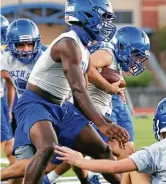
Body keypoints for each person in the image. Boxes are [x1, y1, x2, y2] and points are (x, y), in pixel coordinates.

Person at [11, 0, 130, 183]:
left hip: (62, 107)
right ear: (87, 15)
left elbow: (78, 98)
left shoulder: (83, 49)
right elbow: (79, 90)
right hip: (35, 102)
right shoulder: (68, 43)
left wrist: (108, 122)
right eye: (104, 17)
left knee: (102, 150)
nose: (106, 23)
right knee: (48, 146)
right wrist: (102, 125)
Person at [55, 98, 166, 184]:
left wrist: (79, 161)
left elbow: (114, 167)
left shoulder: (154, 151)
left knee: (135, 168)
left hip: (94, 106)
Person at [0, 18, 42, 184]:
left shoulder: (45, 59)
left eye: (29, 44)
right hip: (26, 115)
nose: (25, 50)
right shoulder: (7, 59)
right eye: (20, 45)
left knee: (38, 163)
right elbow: (8, 77)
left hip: (47, 114)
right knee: (24, 163)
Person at [0, 15, 21, 184]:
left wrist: (8, 108)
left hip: (1, 101)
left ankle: (19, 173)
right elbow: (8, 75)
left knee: (10, 144)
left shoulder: (4, 53)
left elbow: (9, 83)